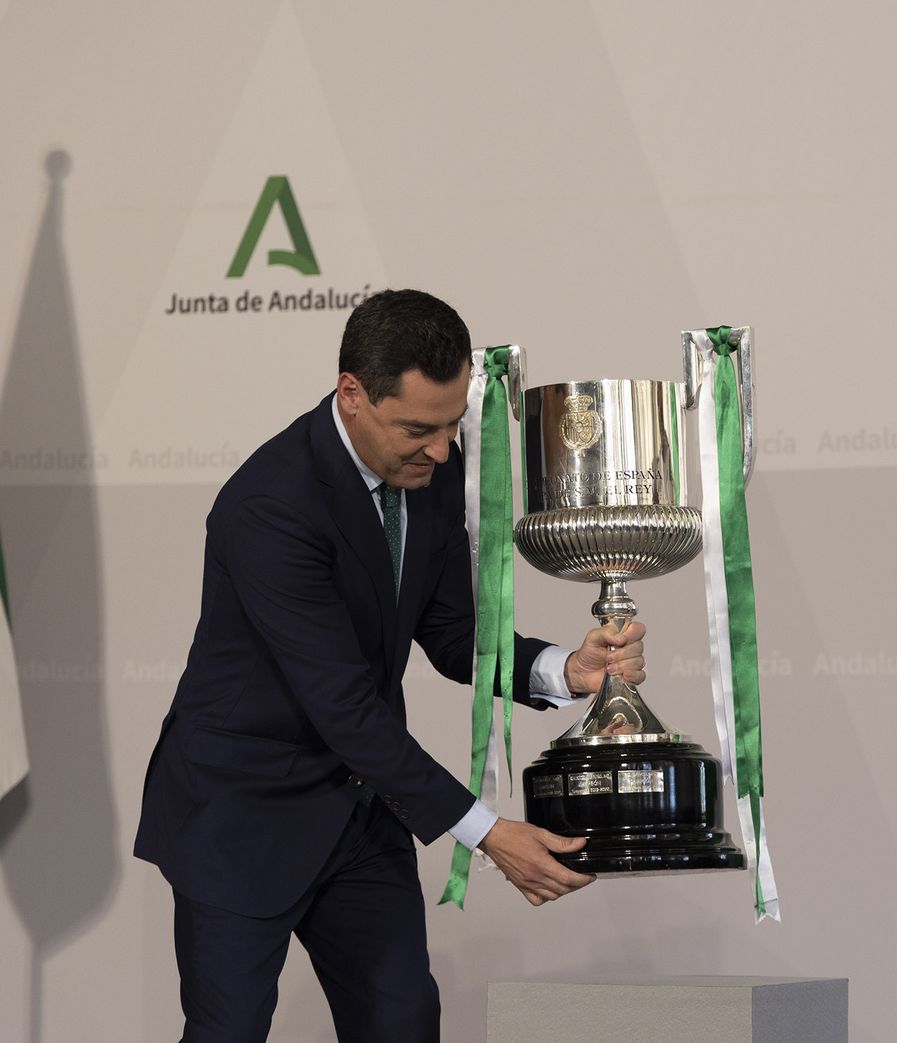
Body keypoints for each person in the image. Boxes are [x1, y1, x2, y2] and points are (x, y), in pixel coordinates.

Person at [134, 289, 646, 1042]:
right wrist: (486, 830)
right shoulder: (270, 504)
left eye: (451, 425)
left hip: (359, 810)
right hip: (241, 814)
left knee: (403, 1023)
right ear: (352, 394)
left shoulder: (429, 469)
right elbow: (343, 706)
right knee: (228, 1032)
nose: (440, 450)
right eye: (418, 429)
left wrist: (566, 670)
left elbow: (451, 632)